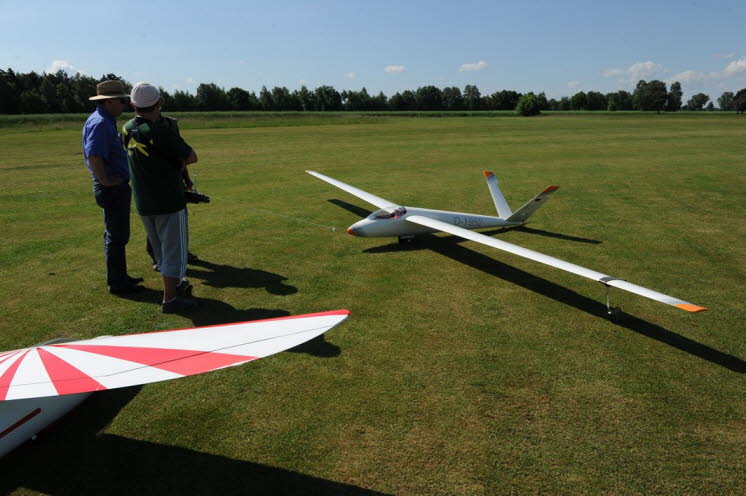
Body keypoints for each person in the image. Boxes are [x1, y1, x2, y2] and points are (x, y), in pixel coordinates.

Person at [122, 82, 198, 313]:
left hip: (143, 200)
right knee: (174, 250)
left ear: (133, 104)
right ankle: (171, 299)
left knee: (160, 249)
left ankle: (174, 287)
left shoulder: (126, 127)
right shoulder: (161, 130)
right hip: (168, 200)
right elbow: (192, 156)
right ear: (159, 103)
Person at [82, 80, 143, 294]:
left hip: (114, 186)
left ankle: (119, 277)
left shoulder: (104, 120)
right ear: (108, 102)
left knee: (116, 235)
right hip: (112, 188)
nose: (124, 105)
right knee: (117, 236)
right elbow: (94, 156)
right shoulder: (100, 123)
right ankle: (117, 283)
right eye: (120, 100)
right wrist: (106, 181)